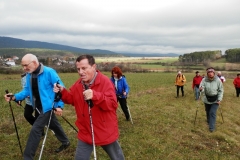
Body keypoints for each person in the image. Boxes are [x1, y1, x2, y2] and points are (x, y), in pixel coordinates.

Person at [53, 55, 125, 160]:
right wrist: (62, 91)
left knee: (117, 157)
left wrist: (95, 96)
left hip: (104, 130)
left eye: (84, 68)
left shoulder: (105, 82)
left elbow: (112, 104)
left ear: (93, 66)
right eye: (78, 69)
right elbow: (72, 99)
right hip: (86, 130)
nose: (80, 72)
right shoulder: (78, 84)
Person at [4, 54, 70, 160]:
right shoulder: (29, 75)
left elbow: (61, 88)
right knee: (53, 125)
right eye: (23, 66)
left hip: (48, 106)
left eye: (26, 65)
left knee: (36, 129)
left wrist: (59, 106)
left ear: (34, 63)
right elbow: (26, 91)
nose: (24, 68)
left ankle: (27, 157)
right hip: (38, 106)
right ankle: (65, 142)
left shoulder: (49, 72)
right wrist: (14, 97)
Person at [199, 67, 224, 132]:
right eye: (209, 72)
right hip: (207, 98)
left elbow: (221, 90)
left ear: (214, 73)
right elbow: (202, 87)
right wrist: (201, 89)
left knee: (212, 112)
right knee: (207, 111)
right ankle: (208, 120)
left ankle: (211, 127)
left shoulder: (218, 80)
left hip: (215, 99)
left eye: (211, 72)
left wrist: (219, 99)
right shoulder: (204, 80)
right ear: (207, 74)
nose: (210, 74)